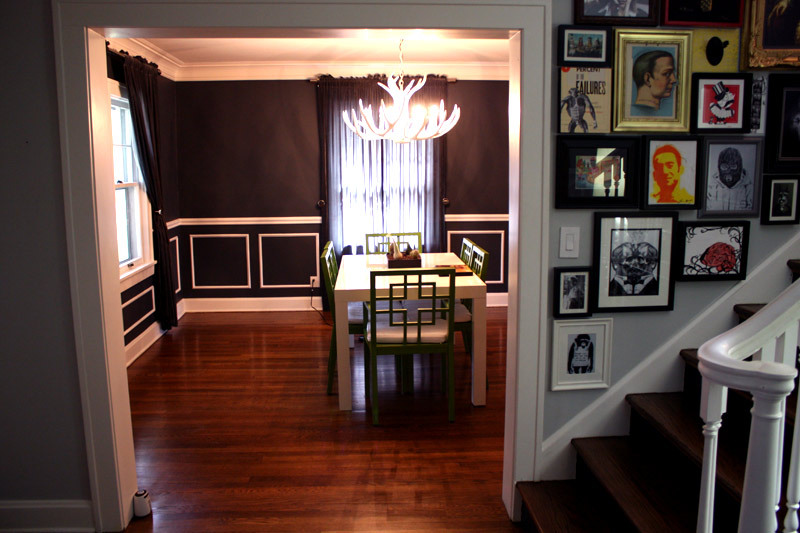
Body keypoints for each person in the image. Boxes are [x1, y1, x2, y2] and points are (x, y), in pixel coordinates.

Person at [706, 147, 753, 211]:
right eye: (724, 166)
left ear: (739, 167)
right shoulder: (711, 188)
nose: (728, 170)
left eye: (733, 166)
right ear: (719, 167)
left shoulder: (749, 189)